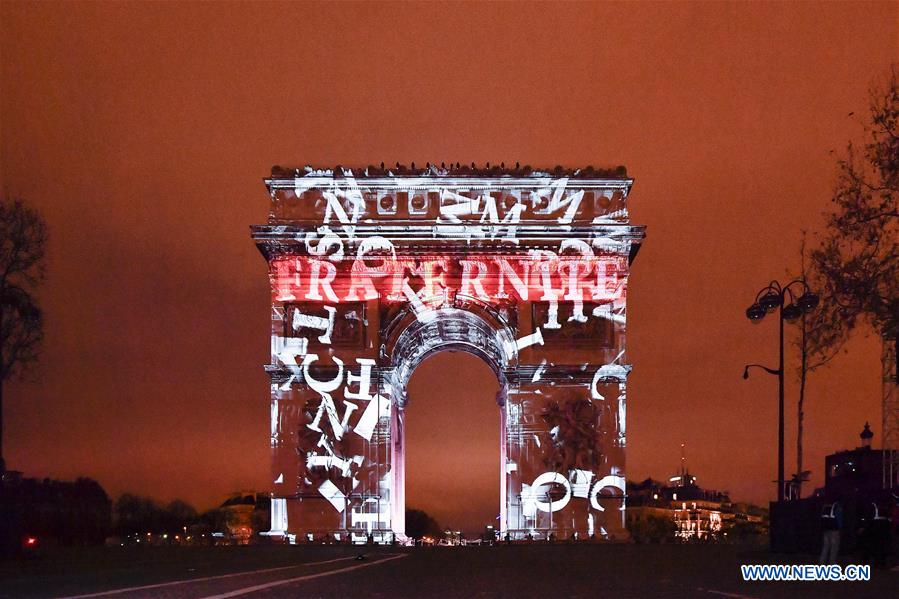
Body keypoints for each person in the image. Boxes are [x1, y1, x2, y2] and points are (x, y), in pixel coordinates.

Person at [819, 500, 842, 565]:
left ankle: (821, 563)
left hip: (826, 530)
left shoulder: (825, 507)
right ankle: (832, 563)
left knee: (825, 547)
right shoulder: (837, 507)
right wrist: (840, 529)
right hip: (834, 530)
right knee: (834, 548)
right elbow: (839, 519)